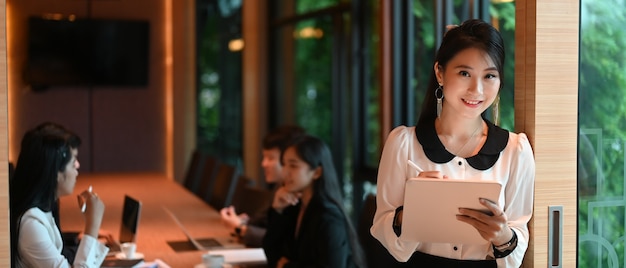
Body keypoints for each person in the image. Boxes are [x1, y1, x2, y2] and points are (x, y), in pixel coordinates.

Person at [370, 19, 535, 267]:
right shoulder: (403, 144)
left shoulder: (516, 151)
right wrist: (412, 212)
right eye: (464, 73)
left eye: (489, 75)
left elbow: (517, 244)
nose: (476, 89)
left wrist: (502, 236)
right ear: (440, 72)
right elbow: (384, 231)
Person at [10, 122, 109, 267]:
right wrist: (92, 225)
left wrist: (81, 237)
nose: (78, 166)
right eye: (73, 161)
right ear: (55, 171)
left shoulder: (46, 206)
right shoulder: (31, 224)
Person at [262, 135, 366, 268]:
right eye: (284, 164)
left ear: (316, 172)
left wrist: (288, 266)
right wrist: (277, 210)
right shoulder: (295, 205)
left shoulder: (329, 217)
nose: (285, 172)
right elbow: (272, 254)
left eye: (293, 166)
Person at [220, 125, 306, 247]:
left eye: (270, 158)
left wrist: (240, 227)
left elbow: (282, 240)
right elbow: (263, 220)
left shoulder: (300, 196)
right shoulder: (280, 188)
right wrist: (243, 222)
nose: (263, 164)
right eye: (264, 157)